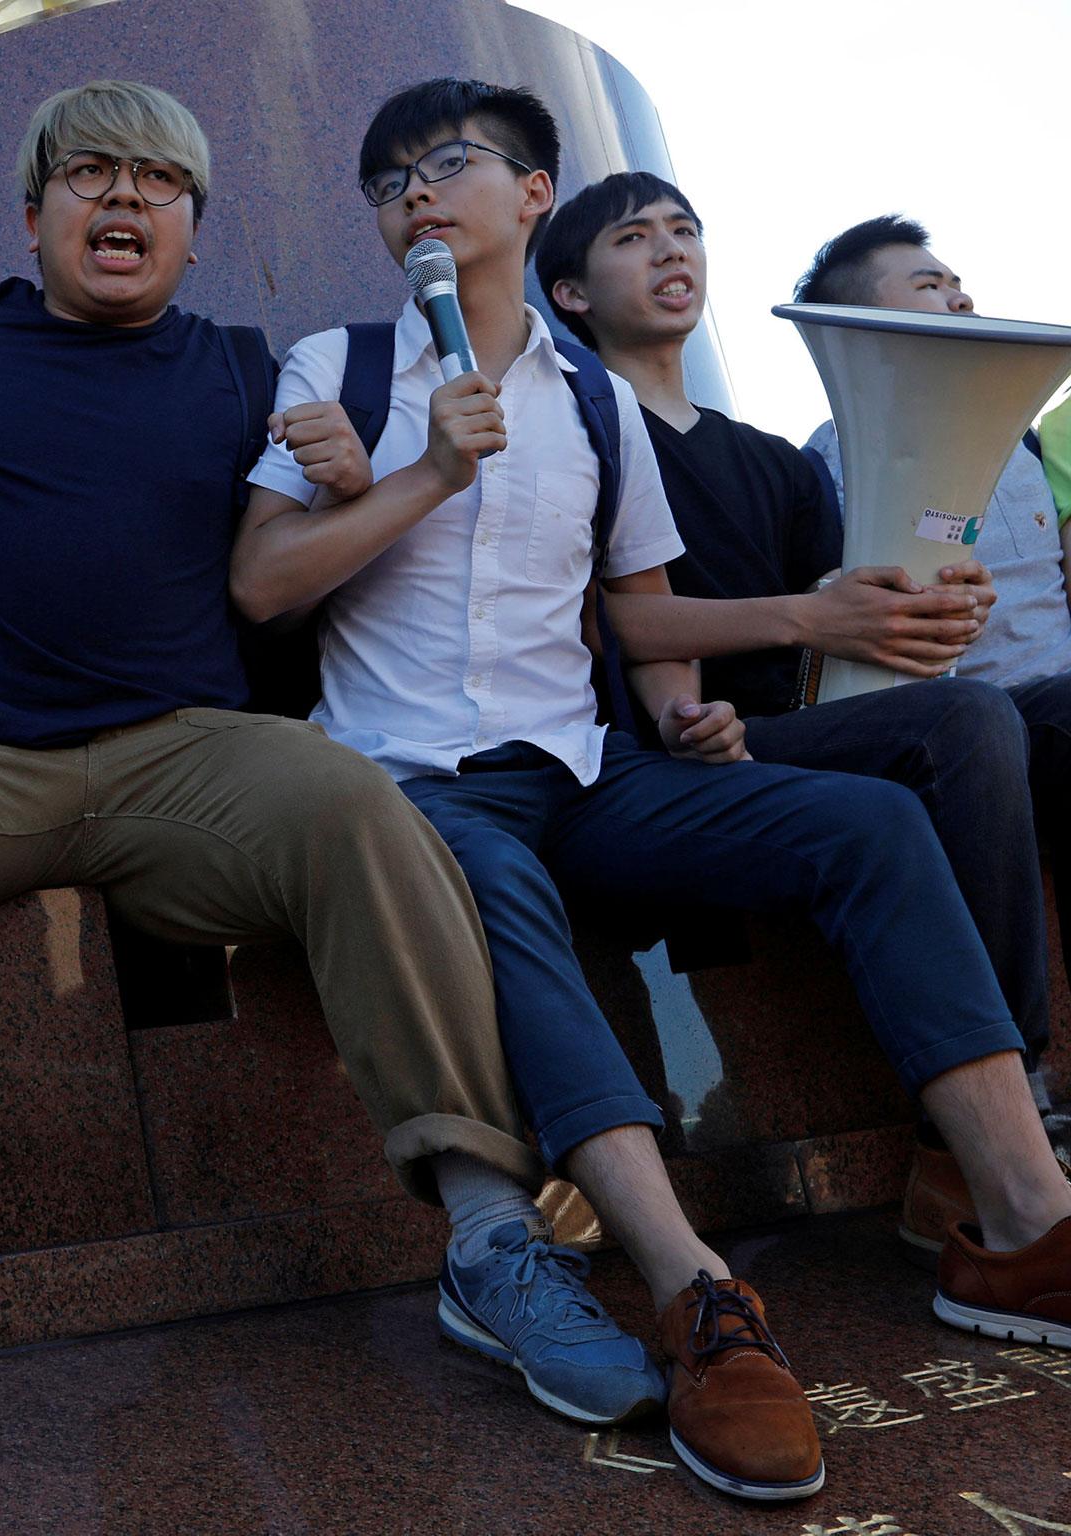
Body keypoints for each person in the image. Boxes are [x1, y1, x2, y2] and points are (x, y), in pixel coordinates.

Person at [0, 77, 530, 1485]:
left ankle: (492, 1236)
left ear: (190, 228)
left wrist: (355, 476)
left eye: (159, 184)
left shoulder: (244, 368)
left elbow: (281, 594)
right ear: (33, 212)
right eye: (93, 175)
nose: (125, 200)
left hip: (184, 752)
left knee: (351, 799)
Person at [230, 77, 1071, 1503]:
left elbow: (638, 616)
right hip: (419, 787)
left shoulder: (596, 406)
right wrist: (426, 470)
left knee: (866, 816)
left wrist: (691, 722)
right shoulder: (338, 369)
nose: (415, 195)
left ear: (534, 197)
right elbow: (262, 584)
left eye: (448, 164)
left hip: (589, 773)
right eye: (388, 184)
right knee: (484, 875)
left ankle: (1019, 1213)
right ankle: (695, 1291)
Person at [533, 175, 1068, 1227]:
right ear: (569, 293)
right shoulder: (566, 434)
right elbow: (591, 621)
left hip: (790, 730)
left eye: (682, 231)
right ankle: (1012, 1117)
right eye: (632, 238)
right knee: (962, 724)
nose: (668, 251)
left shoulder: (770, 463)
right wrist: (799, 622)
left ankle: (989, 1129)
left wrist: (921, 609)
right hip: (661, 759)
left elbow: (848, 632)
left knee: (1007, 712)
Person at [795, 215, 1071, 1160]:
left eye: (956, 279)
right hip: (969, 724)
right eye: (924, 284)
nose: (957, 294)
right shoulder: (824, 465)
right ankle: (1012, 1083)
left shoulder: (1027, 448)